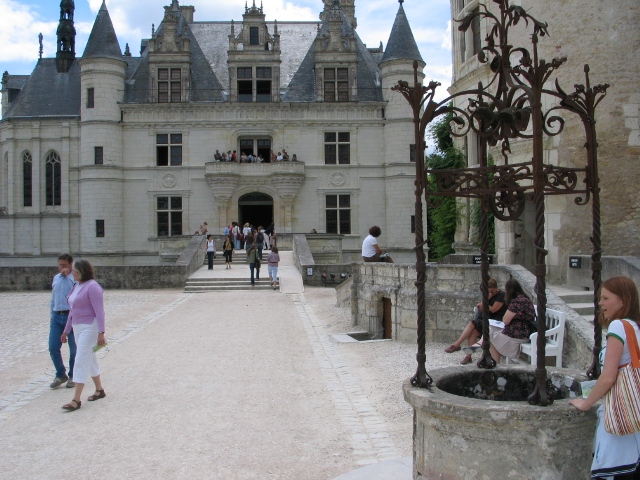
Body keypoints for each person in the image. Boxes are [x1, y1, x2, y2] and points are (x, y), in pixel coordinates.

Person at [569, 276, 640, 479]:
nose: (601, 303)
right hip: (635, 414)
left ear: (623, 301)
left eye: (606, 298)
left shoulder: (619, 327)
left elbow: (609, 377)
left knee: (610, 470)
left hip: (618, 416)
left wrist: (585, 403)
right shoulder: (636, 327)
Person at [60, 259, 106, 411]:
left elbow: (100, 312)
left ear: (81, 272)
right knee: (90, 358)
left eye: (74, 270)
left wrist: (101, 332)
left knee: (80, 359)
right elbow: (72, 311)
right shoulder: (76, 286)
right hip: (77, 328)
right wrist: (66, 330)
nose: (71, 272)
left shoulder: (93, 287)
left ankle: (76, 399)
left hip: (90, 327)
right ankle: (99, 390)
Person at [444, 278, 508, 364]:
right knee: (473, 331)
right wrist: (485, 299)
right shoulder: (488, 296)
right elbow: (481, 308)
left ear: (495, 288)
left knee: (472, 323)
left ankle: (457, 345)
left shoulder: (501, 295)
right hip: (486, 321)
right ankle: (468, 356)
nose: (490, 293)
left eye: (491, 291)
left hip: (495, 323)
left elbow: (493, 309)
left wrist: (486, 300)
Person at [488, 278, 536, 364]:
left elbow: (505, 320)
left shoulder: (517, 302)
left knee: (491, 339)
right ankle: (495, 363)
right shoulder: (525, 298)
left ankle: (496, 365)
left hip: (518, 335)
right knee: (491, 331)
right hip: (526, 331)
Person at [49, 253, 77, 389]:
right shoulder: (56, 278)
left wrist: (69, 278)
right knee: (53, 347)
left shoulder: (75, 279)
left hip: (70, 316)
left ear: (71, 264)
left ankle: (73, 375)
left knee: (74, 350)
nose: (62, 268)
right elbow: (53, 297)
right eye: (60, 265)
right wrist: (51, 314)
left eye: (65, 265)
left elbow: (78, 295)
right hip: (56, 316)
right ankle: (61, 374)